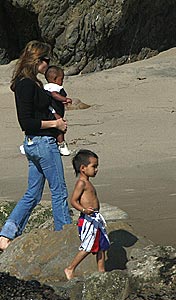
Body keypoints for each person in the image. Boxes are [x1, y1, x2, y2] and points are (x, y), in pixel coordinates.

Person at [0, 40, 71, 251]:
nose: (49, 64)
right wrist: (56, 123)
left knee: (33, 193)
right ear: (37, 60)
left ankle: (6, 235)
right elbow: (26, 122)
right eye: (46, 60)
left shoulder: (30, 82)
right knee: (59, 191)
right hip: (41, 143)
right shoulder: (26, 84)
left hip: (35, 144)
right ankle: (64, 237)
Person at [64, 149, 110, 280]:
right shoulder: (81, 183)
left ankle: (102, 271)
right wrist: (84, 210)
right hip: (88, 219)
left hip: (95, 218)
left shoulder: (88, 183)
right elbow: (73, 201)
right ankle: (70, 268)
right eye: (94, 166)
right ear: (83, 168)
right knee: (88, 245)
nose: (96, 169)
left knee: (102, 246)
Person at [44, 65, 72, 156]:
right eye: (61, 79)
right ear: (55, 79)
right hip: (54, 112)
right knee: (61, 127)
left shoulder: (45, 87)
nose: (62, 82)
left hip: (48, 111)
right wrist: (65, 99)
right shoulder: (54, 86)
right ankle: (62, 145)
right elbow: (54, 95)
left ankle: (53, 144)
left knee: (51, 128)